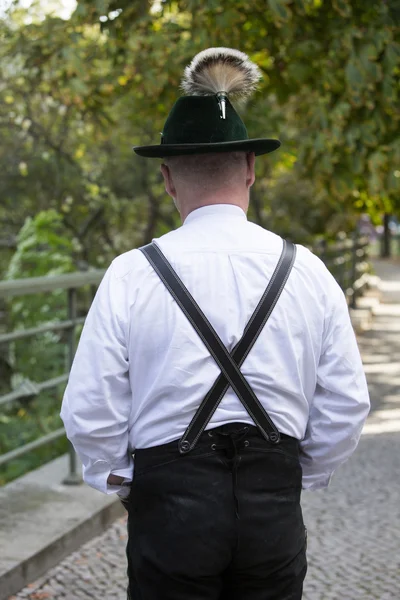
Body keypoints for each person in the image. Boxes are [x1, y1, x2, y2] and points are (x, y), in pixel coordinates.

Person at [61, 47, 370, 600]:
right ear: (251, 168)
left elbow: (89, 408)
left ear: (166, 178)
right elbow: (346, 404)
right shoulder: (309, 272)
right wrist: (295, 473)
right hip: (272, 507)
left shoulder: (130, 274)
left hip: (169, 510)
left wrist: (128, 482)